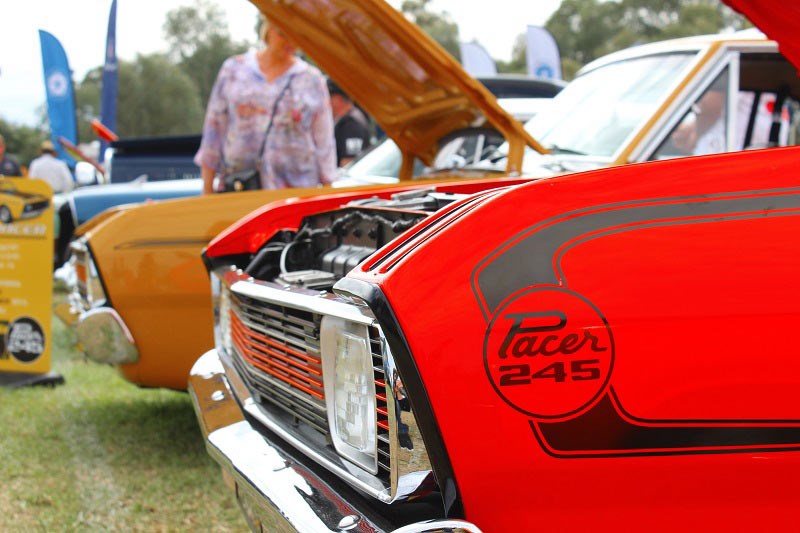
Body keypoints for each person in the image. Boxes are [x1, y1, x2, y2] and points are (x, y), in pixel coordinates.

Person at [194, 18, 336, 194]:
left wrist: (328, 189)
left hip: (296, 191)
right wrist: (207, 190)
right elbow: (213, 130)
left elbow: (324, 141)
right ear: (268, 28)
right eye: (283, 34)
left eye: (297, 36)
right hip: (242, 187)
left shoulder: (311, 79)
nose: (290, 42)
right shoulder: (234, 70)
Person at [328, 80, 371, 166]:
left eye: (329, 96)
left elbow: (349, 163)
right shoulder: (345, 119)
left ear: (338, 99)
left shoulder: (351, 125)